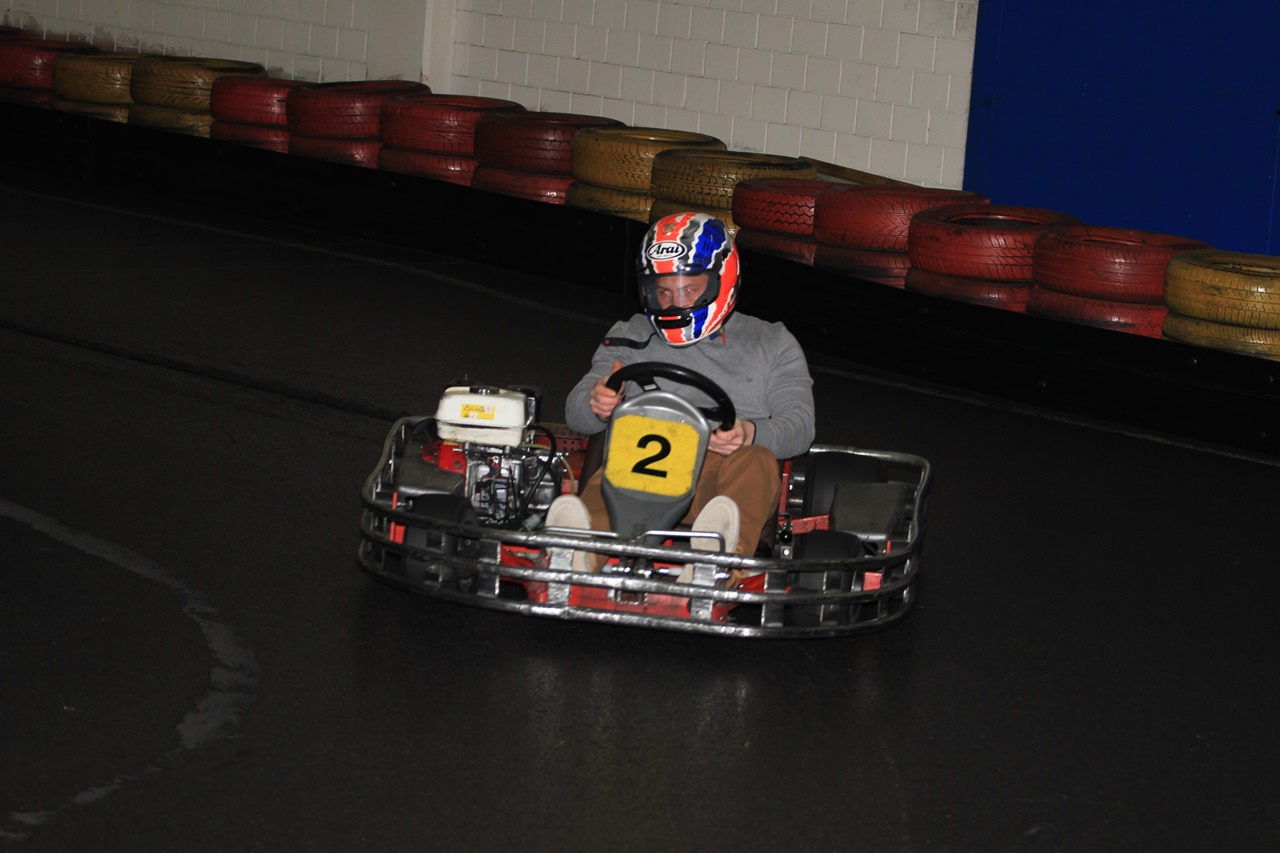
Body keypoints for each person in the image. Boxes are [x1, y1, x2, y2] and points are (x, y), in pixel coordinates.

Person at [546, 211, 816, 583]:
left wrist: (751, 432)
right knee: (627, 452)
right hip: (642, 465)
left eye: (689, 289)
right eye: (664, 291)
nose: (676, 302)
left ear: (722, 280)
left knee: (756, 460)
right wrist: (598, 404)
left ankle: (716, 562)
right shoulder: (630, 333)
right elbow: (576, 414)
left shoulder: (772, 342)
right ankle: (578, 552)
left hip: (724, 470)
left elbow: (800, 425)